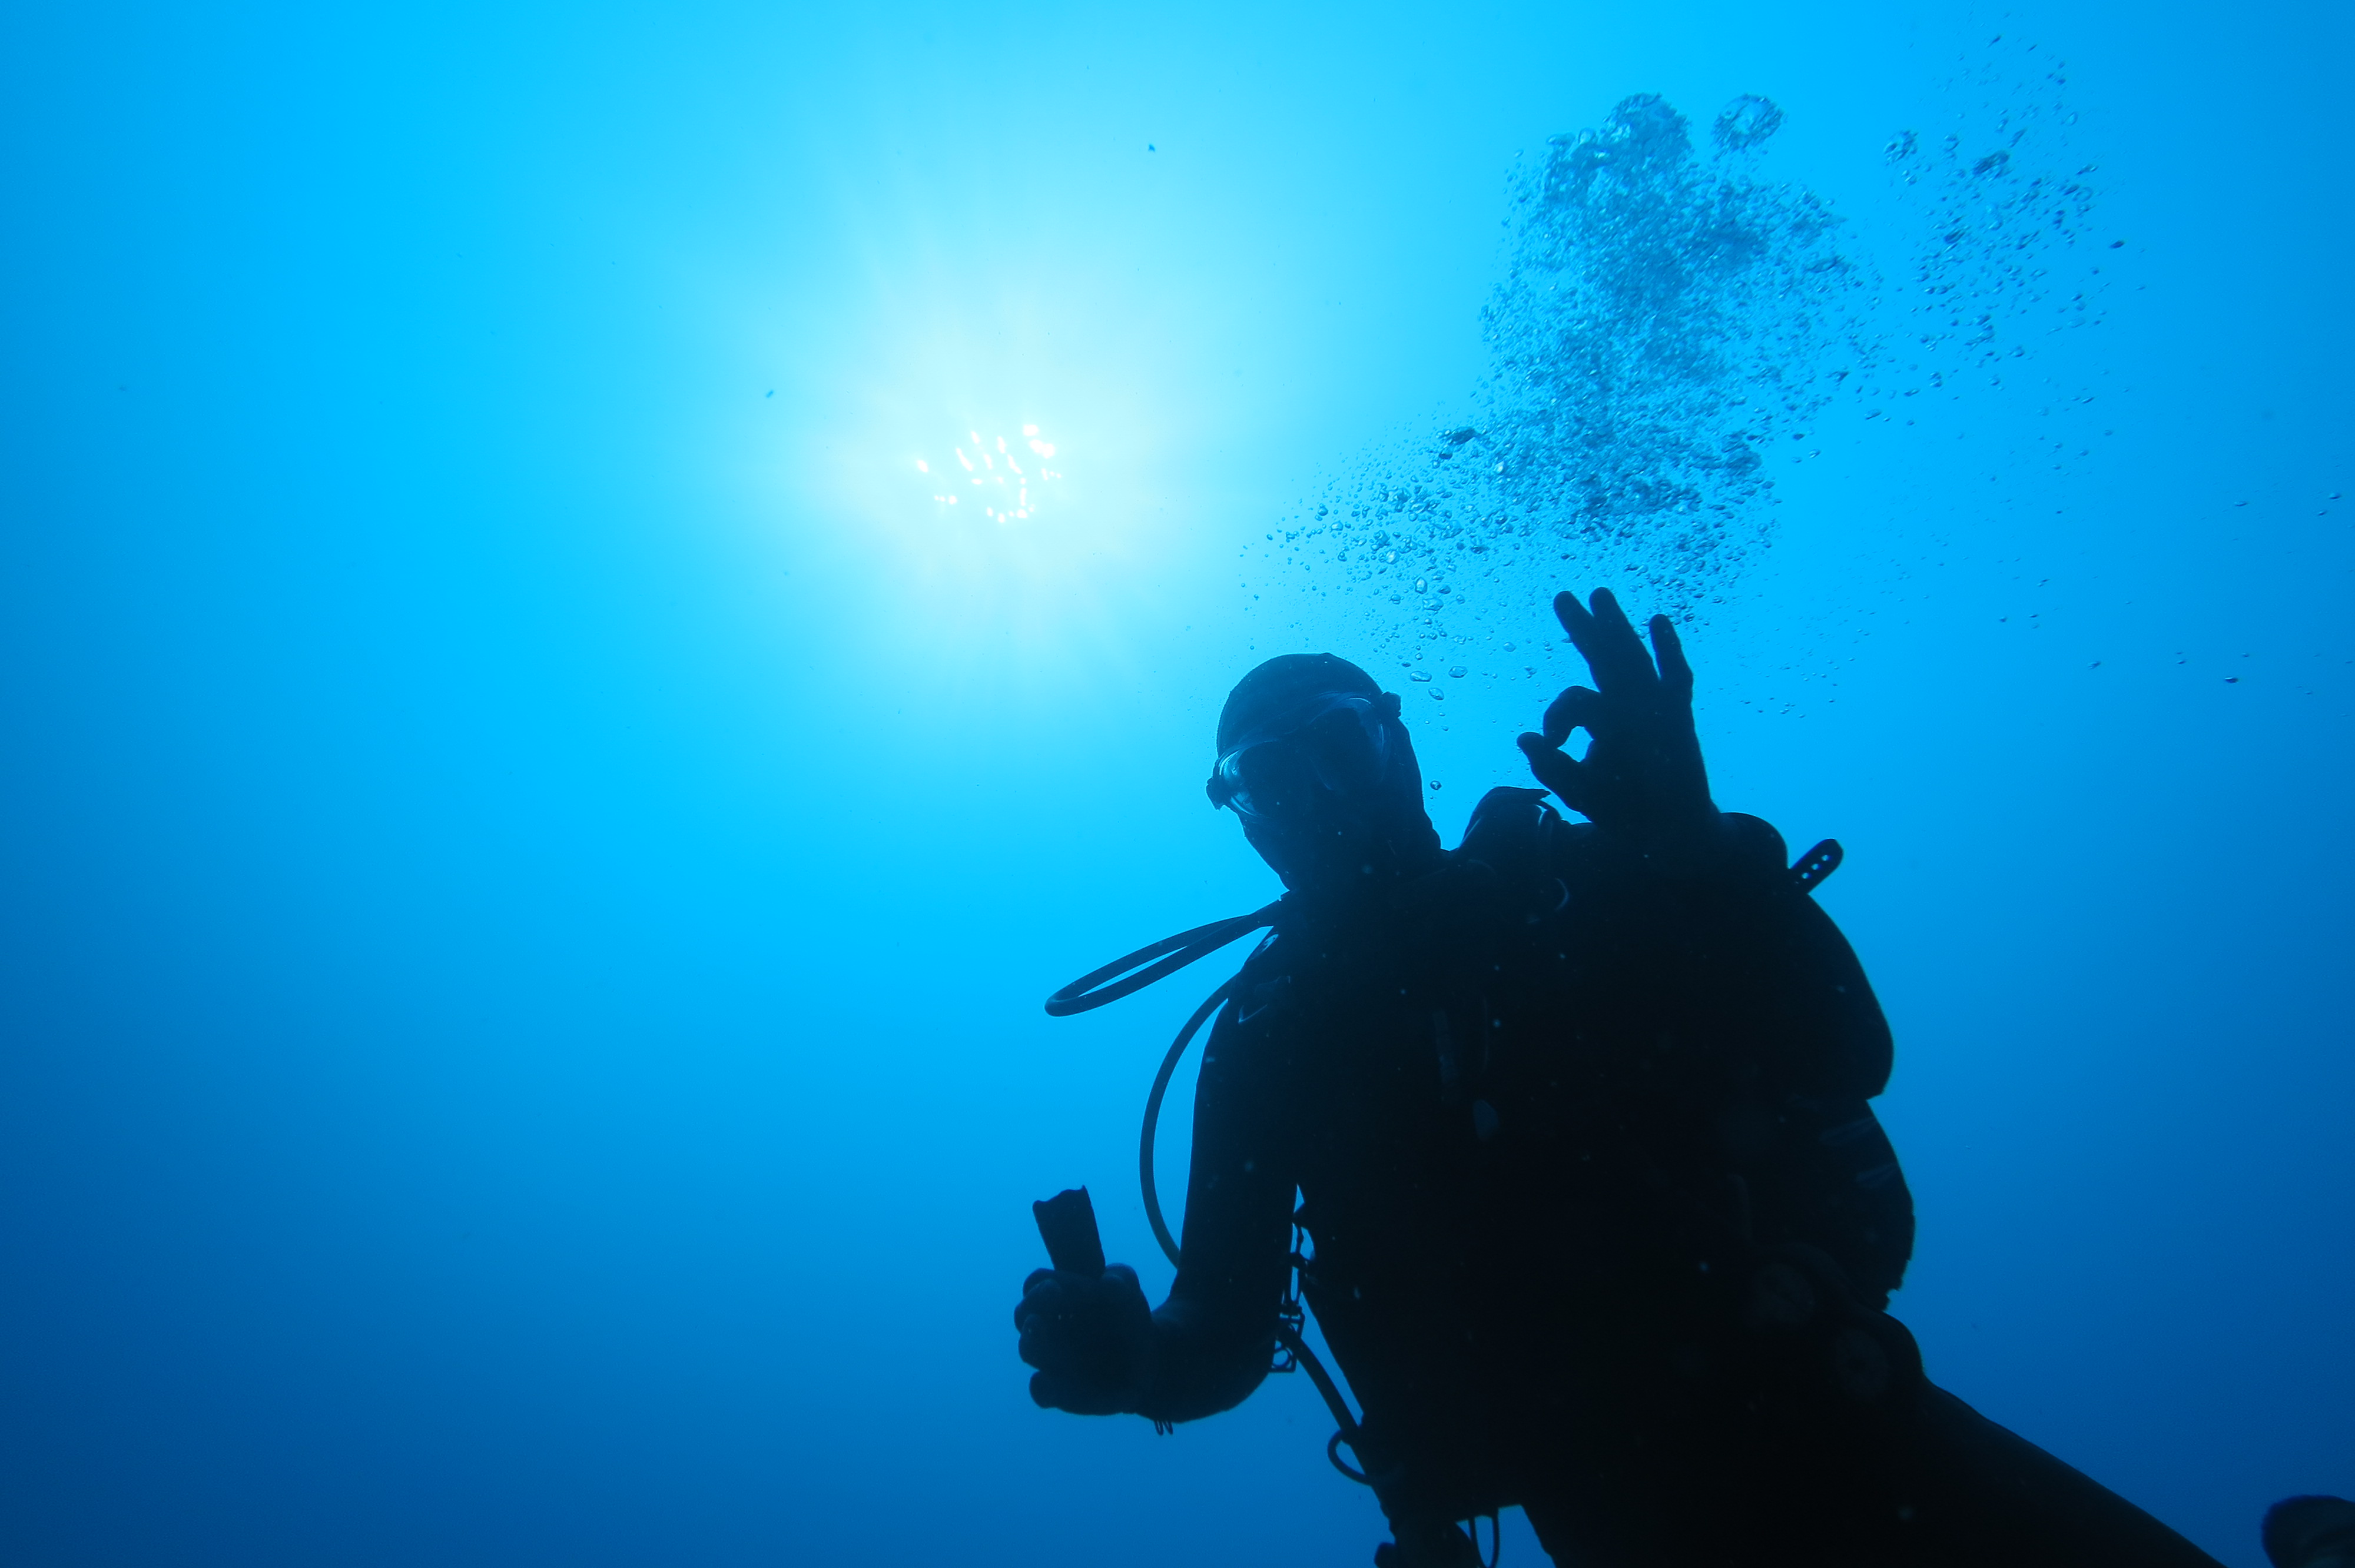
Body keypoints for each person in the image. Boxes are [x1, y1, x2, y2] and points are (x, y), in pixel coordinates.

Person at [1016, 588, 2230, 1566]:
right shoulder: (1269, 1038)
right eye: (1273, 779)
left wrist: (1697, 845)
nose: (1321, 796)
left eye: (1339, 745)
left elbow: (1844, 1053)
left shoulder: (1574, 882)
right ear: (1242, 817)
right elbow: (1217, 1334)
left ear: (1399, 741)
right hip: (1610, 1516)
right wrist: (1132, 1363)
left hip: (1842, 1414)